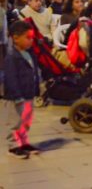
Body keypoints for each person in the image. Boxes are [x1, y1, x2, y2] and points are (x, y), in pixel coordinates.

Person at [4, 21, 40, 159]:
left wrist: (35, 89)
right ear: (15, 37)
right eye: (28, 37)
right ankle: (13, 146)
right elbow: (11, 78)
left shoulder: (29, 53)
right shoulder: (12, 57)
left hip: (28, 94)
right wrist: (17, 94)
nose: (31, 41)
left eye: (32, 38)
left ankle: (24, 142)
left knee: (26, 121)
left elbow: (34, 72)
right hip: (15, 97)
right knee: (15, 122)